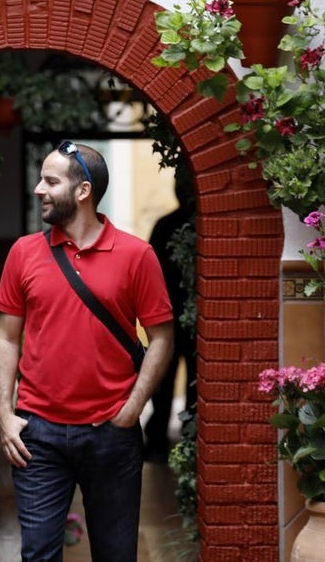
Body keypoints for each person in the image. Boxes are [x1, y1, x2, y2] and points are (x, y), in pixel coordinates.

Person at [0, 141, 174, 562]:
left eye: (50, 181)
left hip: (112, 432)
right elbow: (6, 337)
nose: (39, 189)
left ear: (82, 191)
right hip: (38, 435)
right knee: (38, 555)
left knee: (115, 554)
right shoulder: (24, 253)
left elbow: (162, 337)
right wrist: (5, 415)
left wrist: (133, 408)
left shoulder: (136, 255)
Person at [143, 167, 197, 463]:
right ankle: (173, 440)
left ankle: (161, 442)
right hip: (169, 317)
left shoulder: (168, 225)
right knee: (170, 382)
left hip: (173, 316)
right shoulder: (168, 226)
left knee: (178, 382)